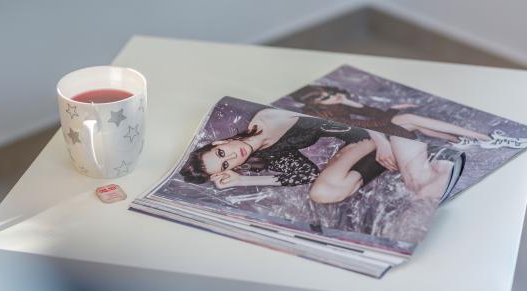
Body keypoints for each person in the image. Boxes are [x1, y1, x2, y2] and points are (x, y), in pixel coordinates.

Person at [180, 108, 453, 203]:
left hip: (371, 126)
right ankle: (412, 156)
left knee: (420, 185)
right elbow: (305, 175)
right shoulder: (269, 151)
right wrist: (242, 181)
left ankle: (406, 150)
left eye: (221, 152)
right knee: (322, 193)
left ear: (220, 141)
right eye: (226, 164)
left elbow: (338, 111)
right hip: (360, 142)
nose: (232, 156)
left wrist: (380, 138)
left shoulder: (267, 117)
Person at [289, 85, 527, 149]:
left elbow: (374, 115)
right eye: (326, 97)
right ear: (316, 103)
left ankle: (462, 140)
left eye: (331, 92)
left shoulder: (337, 103)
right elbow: (373, 124)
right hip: (369, 141)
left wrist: (351, 102)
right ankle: (488, 138)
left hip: (380, 132)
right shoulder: (324, 114)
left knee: (411, 121)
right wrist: (393, 111)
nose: (334, 96)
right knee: (408, 118)